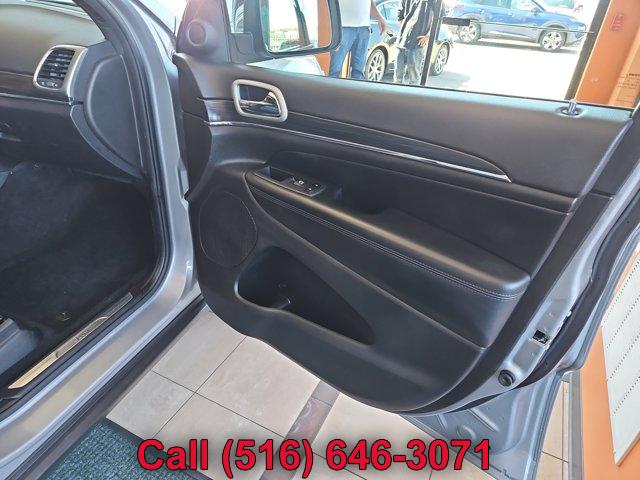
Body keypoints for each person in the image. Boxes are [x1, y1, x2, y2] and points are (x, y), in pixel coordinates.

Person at [329, 0, 386, 80]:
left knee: (358, 71)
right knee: (335, 70)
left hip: (364, 27)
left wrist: (379, 17)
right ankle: (330, 88)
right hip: (343, 26)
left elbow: (370, 2)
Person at [394, 0, 434, 85]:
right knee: (397, 78)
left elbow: (440, 18)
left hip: (417, 44)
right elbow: (399, 15)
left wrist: (428, 35)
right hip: (402, 41)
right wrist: (406, 30)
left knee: (414, 79)